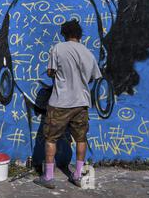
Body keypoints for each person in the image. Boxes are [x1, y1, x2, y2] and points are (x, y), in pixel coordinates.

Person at [33, 20, 102, 189]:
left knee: (51, 138)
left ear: (64, 33)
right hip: (81, 102)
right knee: (80, 138)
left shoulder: (58, 48)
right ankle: (78, 175)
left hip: (60, 102)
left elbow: (51, 72)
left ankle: (48, 177)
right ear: (79, 34)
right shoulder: (88, 53)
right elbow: (94, 77)